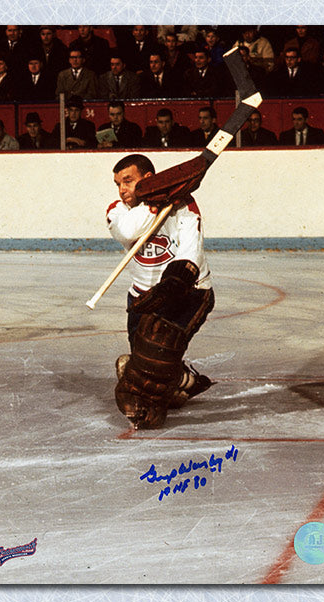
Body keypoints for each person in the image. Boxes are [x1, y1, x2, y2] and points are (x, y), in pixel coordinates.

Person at [106, 153, 215, 429]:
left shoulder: (184, 206)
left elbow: (192, 248)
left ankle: (169, 380)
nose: (122, 189)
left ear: (149, 179)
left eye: (128, 181)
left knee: (155, 357)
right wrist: (157, 200)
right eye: (118, 183)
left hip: (188, 293)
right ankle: (182, 379)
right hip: (143, 297)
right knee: (146, 367)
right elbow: (129, 231)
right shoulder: (117, 210)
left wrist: (177, 278)